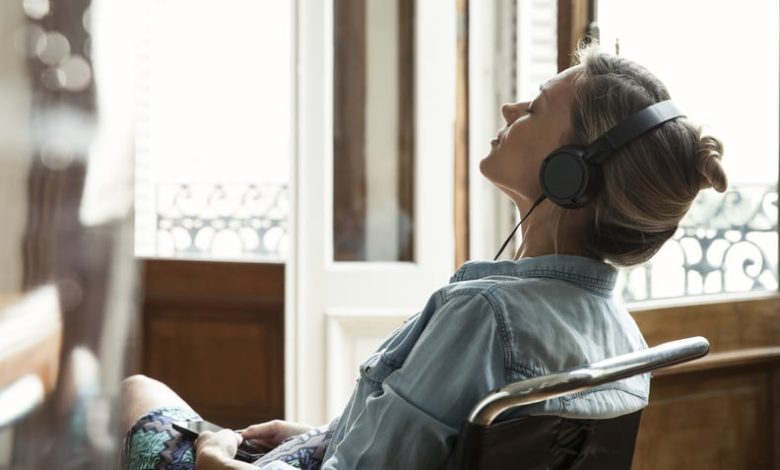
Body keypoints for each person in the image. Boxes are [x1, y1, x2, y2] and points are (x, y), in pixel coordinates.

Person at [120, 43, 728, 469]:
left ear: (570, 175)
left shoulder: (485, 316)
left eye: (536, 109)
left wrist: (214, 461)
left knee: (135, 393)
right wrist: (320, 437)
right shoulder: (621, 335)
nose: (508, 110)